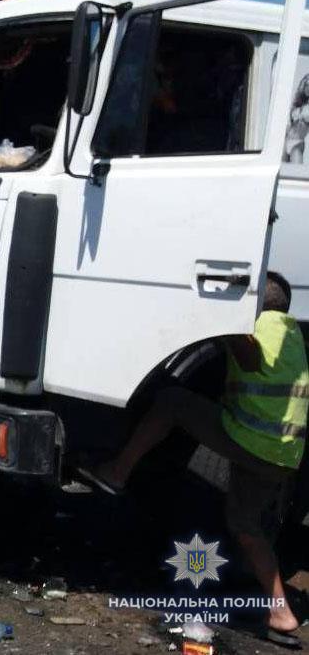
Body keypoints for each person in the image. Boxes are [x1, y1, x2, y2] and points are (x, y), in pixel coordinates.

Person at [81, 272, 309, 648]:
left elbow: (251, 359)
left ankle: (117, 473)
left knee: (172, 402)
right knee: (245, 525)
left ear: (256, 303)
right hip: (282, 455)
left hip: (252, 441)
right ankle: (281, 614)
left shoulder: (266, 326)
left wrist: (223, 317)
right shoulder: (295, 334)